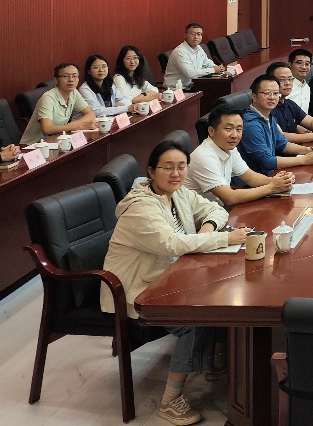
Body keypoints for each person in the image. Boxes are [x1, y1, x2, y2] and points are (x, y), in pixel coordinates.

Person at [102, 140, 250, 425]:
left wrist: (207, 228)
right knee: (194, 317)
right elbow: (171, 243)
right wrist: (222, 238)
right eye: (167, 167)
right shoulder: (140, 207)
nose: (176, 173)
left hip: (172, 274)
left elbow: (217, 209)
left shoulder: (178, 192)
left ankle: (214, 362)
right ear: (151, 172)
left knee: (221, 293)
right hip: (138, 288)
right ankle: (169, 400)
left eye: (182, 167)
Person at [186, 103, 295, 205]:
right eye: (228, 129)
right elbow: (230, 198)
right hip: (202, 216)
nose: (234, 135)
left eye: (239, 129)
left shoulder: (229, 148)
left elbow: (250, 178)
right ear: (211, 131)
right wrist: (271, 187)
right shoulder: (203, 157)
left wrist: (278, 181)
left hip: (218, 209)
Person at [238, 75, 313, 176]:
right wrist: (303, 160)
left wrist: (309, 150)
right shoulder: (250, 124)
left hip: (271, 175)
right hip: (255, 181)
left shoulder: (268, 117)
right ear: (254, 97)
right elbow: (266, 161)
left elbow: (282, 145)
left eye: (275, 93)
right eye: (267, 93)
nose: (272, 97)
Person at [21, 64, 97, 143]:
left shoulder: (73, 92)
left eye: (74, 76)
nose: (71, 80)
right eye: (66, 76)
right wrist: (76, 126)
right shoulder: (48, 98)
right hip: (34, 145)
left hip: (57, 140)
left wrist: (77, 125)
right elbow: (47, 129)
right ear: (56, 80)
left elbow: (90, 114)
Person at [267, 62, 313, 145]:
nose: (287, 83)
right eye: (282, 80)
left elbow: (311, 122)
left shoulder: (290, 104)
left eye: (290, 79)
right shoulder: (268, 107)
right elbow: (281, 136)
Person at [164, 23, 224, 89]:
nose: (196, 37)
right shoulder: (180, 52)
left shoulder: (199, 48)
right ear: (185, 35)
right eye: (192, 34)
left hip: (192, 85)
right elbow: (190, 73)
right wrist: (213, 70)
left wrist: (216, 67)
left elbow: (206, 62)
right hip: (177, 90)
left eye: (199, 34)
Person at [271, 49, 313, 114]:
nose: (304, 67)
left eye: (307, 64)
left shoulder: (307, 87)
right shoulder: (283, 88)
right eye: (299, 63)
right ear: (290, 64)